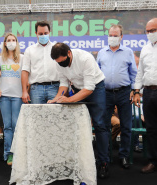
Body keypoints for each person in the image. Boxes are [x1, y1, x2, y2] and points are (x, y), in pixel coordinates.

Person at [48, 42, 109, 179]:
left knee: (99, 124)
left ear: (69, 53)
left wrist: (69, 100)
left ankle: (103, 162)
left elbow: (89, 88)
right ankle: (81, 162)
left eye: (63, 62)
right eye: (58, 63)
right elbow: (63, 84)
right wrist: (57, 98)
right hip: (77, 89)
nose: (61, 65)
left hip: (95, 88)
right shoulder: (59, 62)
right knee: (78, 126)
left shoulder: (85, 58)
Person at [97, 24, 137, 169]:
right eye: (110, 35)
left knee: (126, 126)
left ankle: (124, 156)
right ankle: (105, 157)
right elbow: (97, 73)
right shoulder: (101, 53)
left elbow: (134, 73)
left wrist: (135, 90)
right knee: (104, 127)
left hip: (124, 93)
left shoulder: (128, 52)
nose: (112, 38)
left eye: (115, 35)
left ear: (121, 37)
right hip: (105, 94)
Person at [0, 33, 23, 166]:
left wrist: (25, 91)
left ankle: (18, 154)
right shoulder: (0, 59)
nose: (11, 42)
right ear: (5, 43)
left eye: (13, 40)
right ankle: (8, 154)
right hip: (4, 97)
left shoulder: (22, 58)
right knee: (7, 127)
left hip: (18, 97)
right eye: (8, 40)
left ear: (16, 43)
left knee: (16, 125)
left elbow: (26, 77)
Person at [133, 18, 157, 174]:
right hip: (148, 92)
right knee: (152, 128)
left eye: (153, 30)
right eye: (148, 31)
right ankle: (153, 161)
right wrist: (136, 91)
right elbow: (140, 72)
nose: (150, 33)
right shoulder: (145, 48)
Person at [21, 21, 59, 104]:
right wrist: (24, 91)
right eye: (40, 34)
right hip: (36, 89)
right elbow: (25, 71)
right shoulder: (29, 50)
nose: (43, 35)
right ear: (36, 33)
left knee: (55, 115)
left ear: (49, 33)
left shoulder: (56, 48)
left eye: (46, 33)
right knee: (37, 116)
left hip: (54, 87)